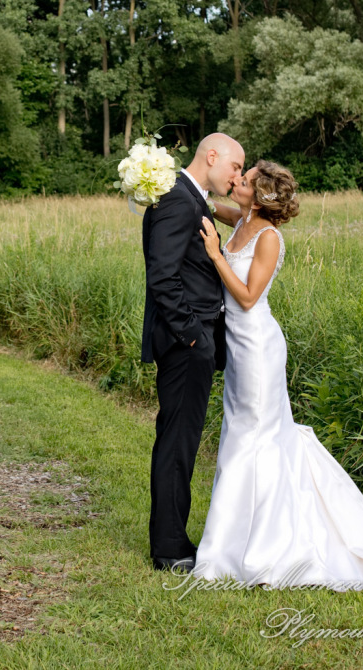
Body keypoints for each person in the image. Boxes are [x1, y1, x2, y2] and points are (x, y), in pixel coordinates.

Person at [192, 161, 363, 589]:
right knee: (240, 432)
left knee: (253, 437)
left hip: (258, 348)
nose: (237, 179)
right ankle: (236, 539)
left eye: (245, 178)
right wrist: (171, 182)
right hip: (237, 347)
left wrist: (217, 255)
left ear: (259, 196)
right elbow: (206, 204)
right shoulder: (242, 219)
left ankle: (257, 548)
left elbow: (249, 297)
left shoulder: (268, 237)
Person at [141, 133, 244, 572]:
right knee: (178, 442)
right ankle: (170, 547)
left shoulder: (190, 196)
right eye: (236, 167)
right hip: (185, 343)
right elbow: (162, 276)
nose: (237, 176)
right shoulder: (179, 200)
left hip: (193, 341)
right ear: (212, 156)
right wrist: (194, 337)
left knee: (181, 439)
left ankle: (173, 538)